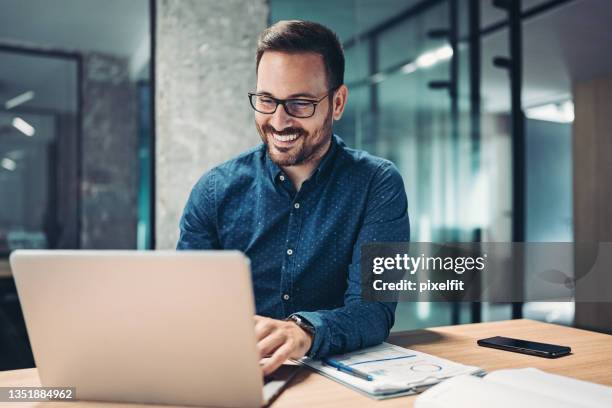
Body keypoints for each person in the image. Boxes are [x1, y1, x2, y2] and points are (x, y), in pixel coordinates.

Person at [177, 20, 410, 375]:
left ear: (337, 102)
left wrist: (304, 331)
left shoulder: (376, 184)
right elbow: (187, 306)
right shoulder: (214, 191)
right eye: (267, 100)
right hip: (232, 375)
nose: (279, 121)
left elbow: (373, 311)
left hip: (331, 381)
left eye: (300, 103)